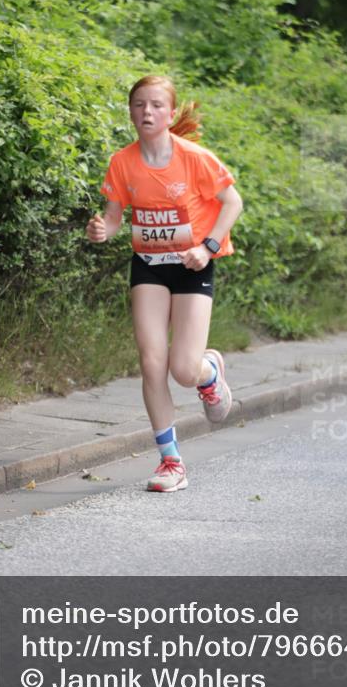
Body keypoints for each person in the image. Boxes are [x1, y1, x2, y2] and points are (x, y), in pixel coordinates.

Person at [85, 75, 244, 493]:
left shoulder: (194, 158)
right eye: (139, 105)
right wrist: (104, 230)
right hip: (150, 267)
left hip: (193, 266)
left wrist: (208, 248)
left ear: (170, 114)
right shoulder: (123, 162)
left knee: (183, 369)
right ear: (131, 111)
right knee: (152, 362)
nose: (147, 112)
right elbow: (116, 218)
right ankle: (170, 462)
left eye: (156, 105)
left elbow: (233, 202)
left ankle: (209, 374)